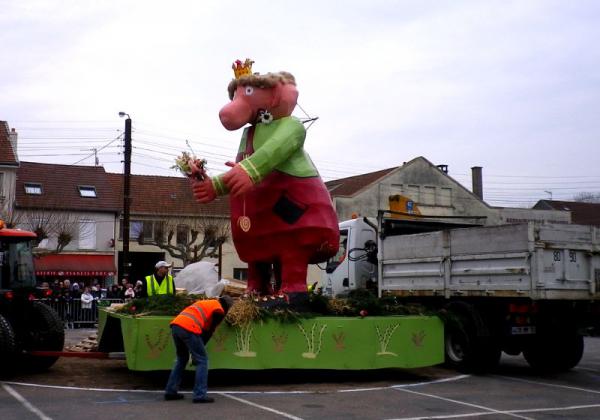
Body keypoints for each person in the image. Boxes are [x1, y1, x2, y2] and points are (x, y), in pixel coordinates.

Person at [164, 295, 233, 403]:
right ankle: (200, 395)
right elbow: (209, 331)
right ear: (227, 307)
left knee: (182, 358)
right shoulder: (219, 310)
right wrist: (200, 348)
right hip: (189, 328)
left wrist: (195, 349)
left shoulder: (208, 303)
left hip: (176, 326)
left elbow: (204, 329)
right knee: (202, 360)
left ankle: (170, 391)